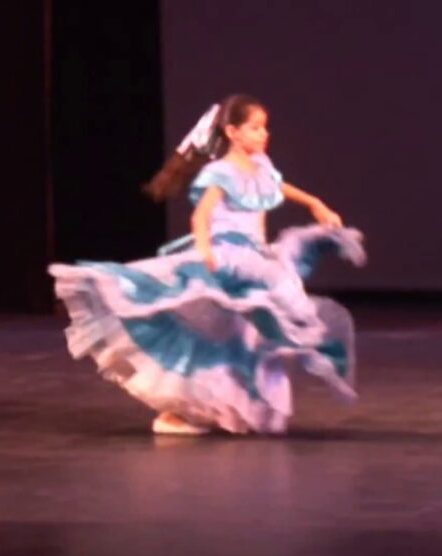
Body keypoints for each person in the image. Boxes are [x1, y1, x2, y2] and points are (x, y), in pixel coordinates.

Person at [49, 93, 365, 436]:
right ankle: (180, 411)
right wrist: (205, 249)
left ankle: (209, 409)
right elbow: (201, 215)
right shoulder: (220, 172)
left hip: (254, 256)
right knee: (228, 323)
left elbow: (279, 187)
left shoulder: (261, 167)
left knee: (243, 333)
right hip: (226, 255)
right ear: (232, 132)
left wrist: (315, 203)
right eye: (255, 128)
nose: (263, 134)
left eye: (264, 128)